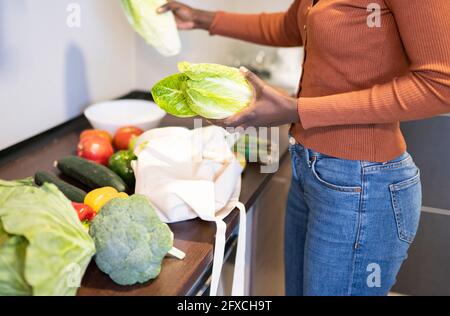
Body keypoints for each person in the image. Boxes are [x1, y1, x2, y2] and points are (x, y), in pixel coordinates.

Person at [158, 0, 450, 296]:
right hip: (310, 170)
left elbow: (442, 85)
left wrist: (298, 110)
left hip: (362, 185)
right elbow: (290, 25)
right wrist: (201, 18)